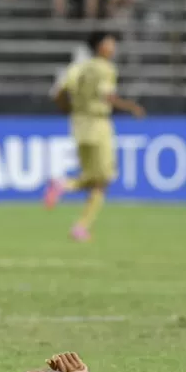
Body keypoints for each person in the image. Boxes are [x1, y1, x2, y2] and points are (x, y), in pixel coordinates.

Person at [45, 31, 146, 242]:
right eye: (110, 43)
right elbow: (107, 96)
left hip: (79, 124)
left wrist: (69, 110)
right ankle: (71, 202)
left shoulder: (77, 67)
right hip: (99, 124)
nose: (113, 47)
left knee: (94, 177)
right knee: (103, 180)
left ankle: (77, 215)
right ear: (100, 46)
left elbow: (59, 93)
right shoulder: (106, 68)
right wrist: (131, 107)